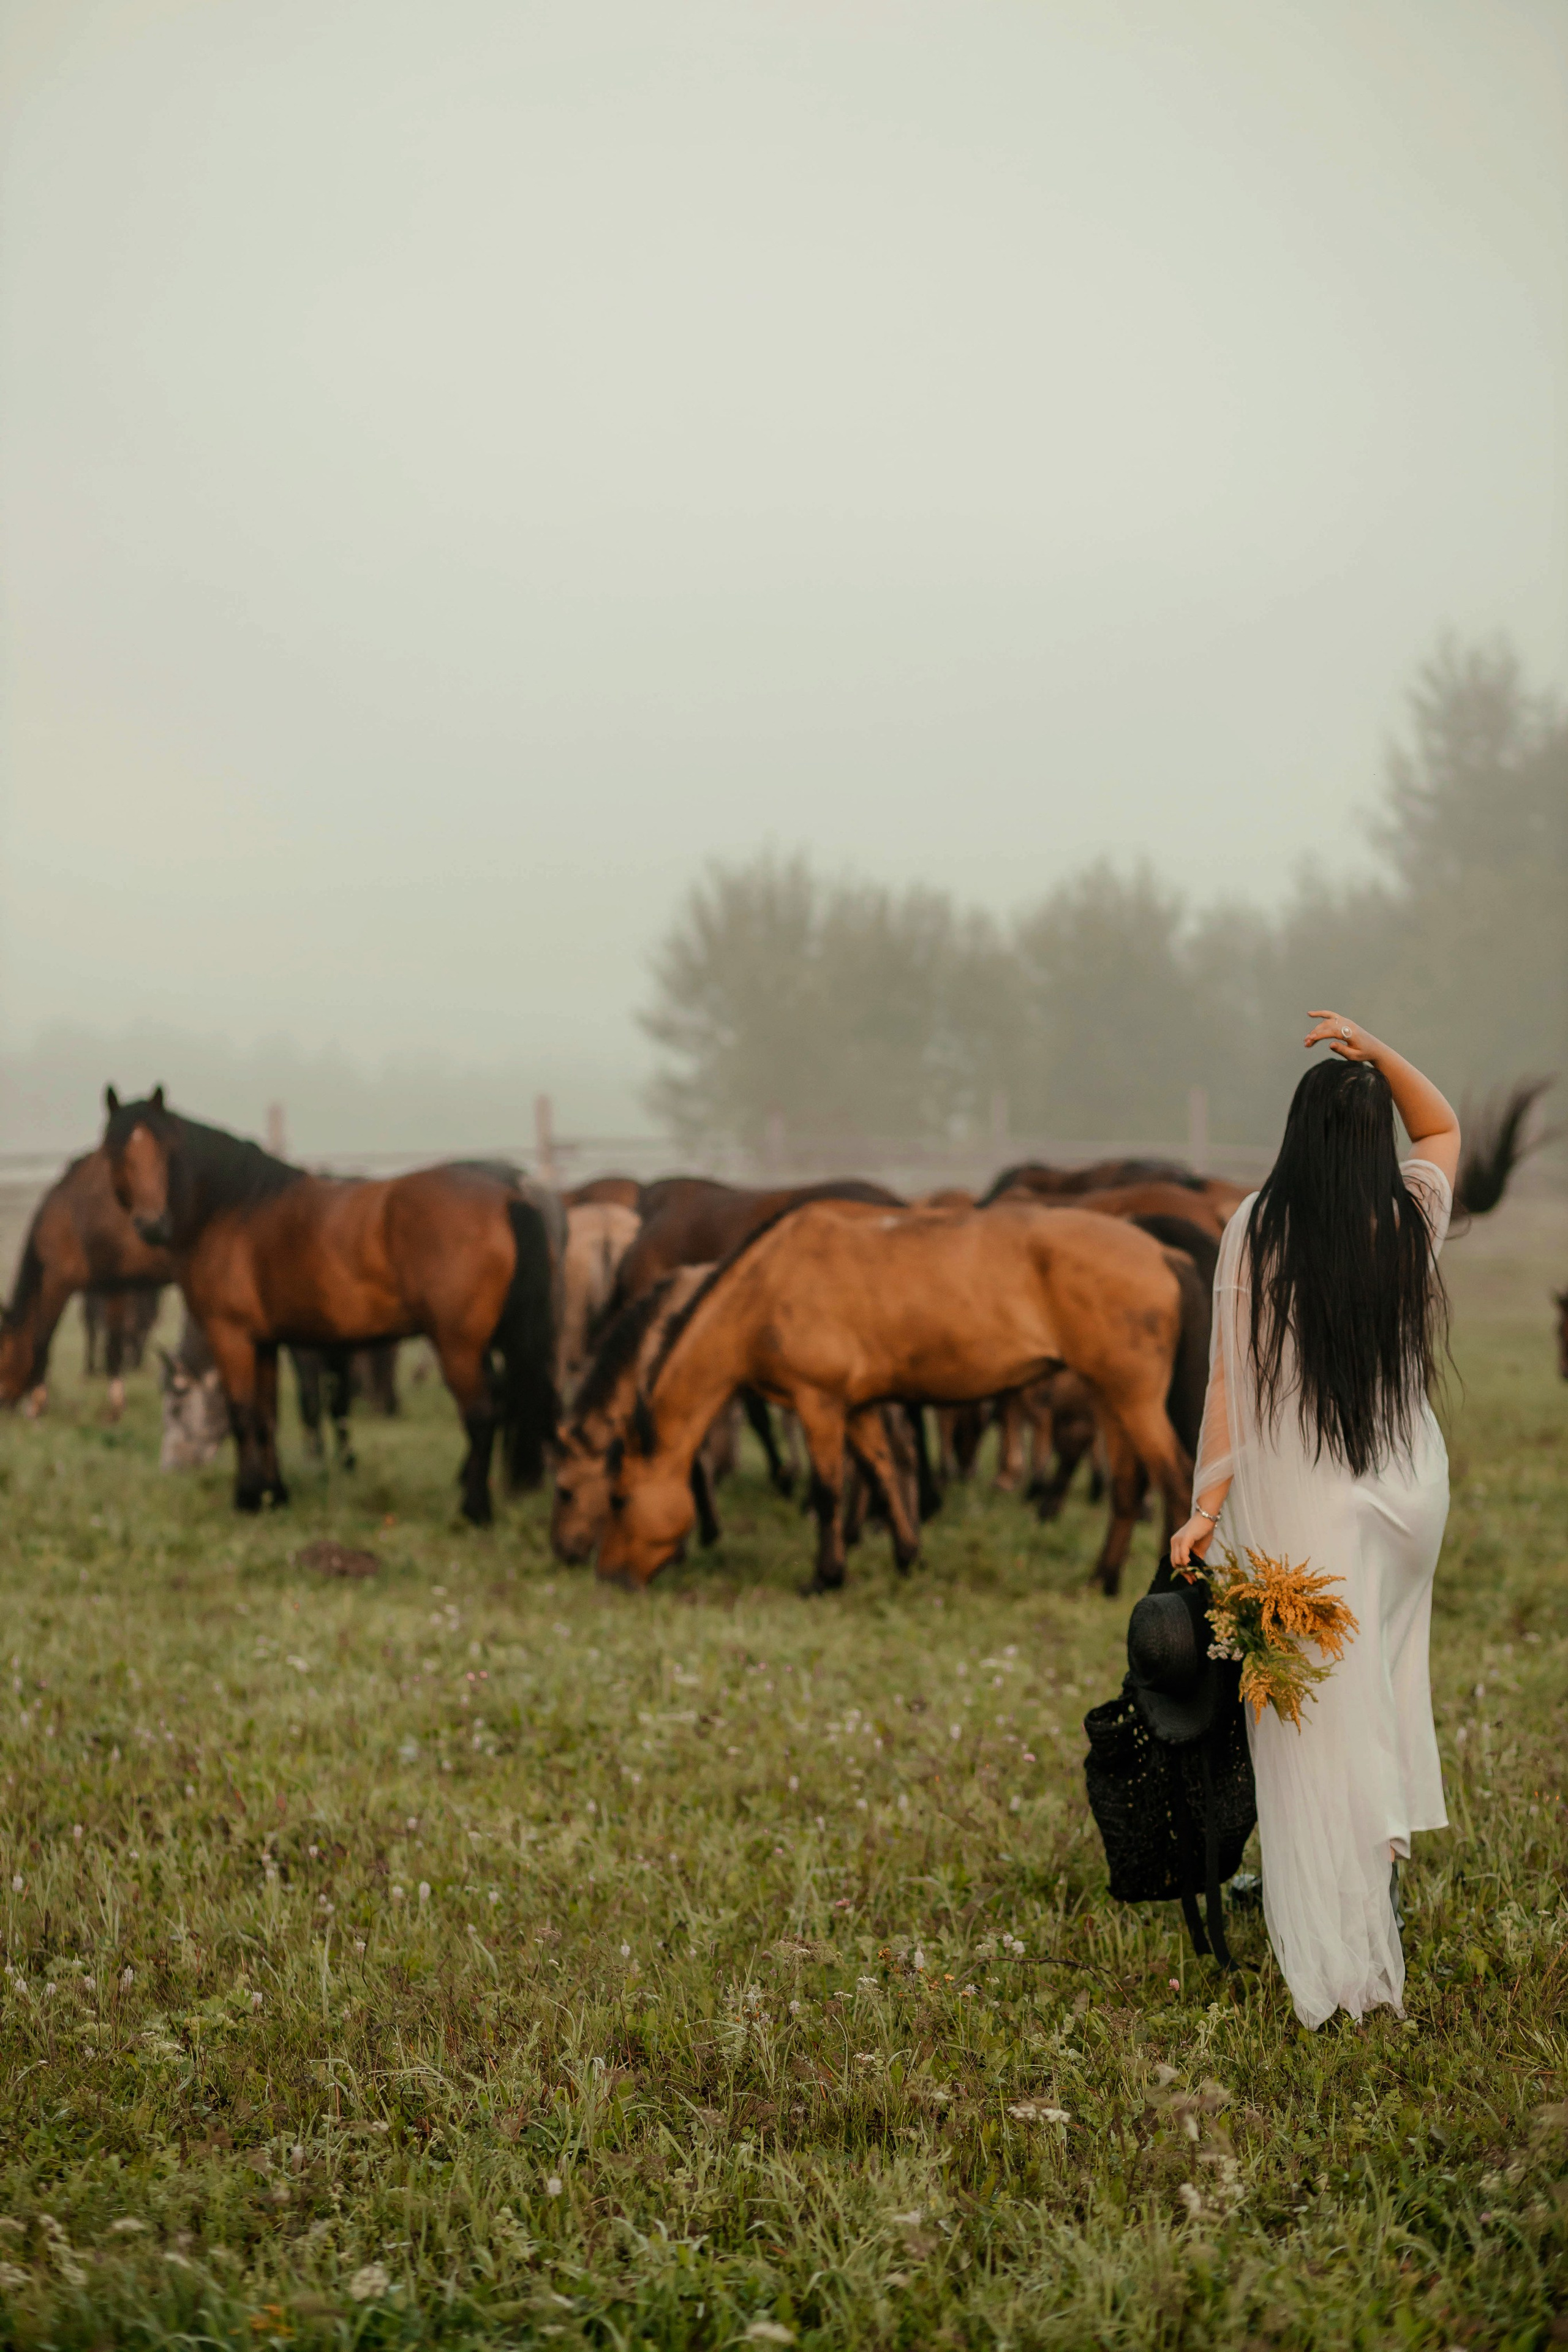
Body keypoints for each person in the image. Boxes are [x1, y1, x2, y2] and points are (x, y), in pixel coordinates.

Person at [1169, 1013, 1460, 2029]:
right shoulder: (1410, 1212)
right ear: (1375, 1141)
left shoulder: (1258, 1224)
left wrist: (1204, 1508)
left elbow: (1227, 1384)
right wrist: (1378, 1050)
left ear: (1297, 1132)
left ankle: (1339, 1951)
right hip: (1408, 1493)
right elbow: (1443, 1127)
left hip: (1307, 1495)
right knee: (1377, 1689)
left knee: (1309, 1723)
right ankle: (1371, 1882)